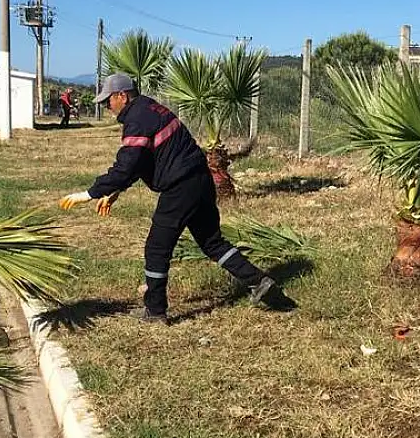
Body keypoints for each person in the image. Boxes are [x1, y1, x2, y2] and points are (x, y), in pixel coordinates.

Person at [58, 73, 295, 323]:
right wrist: (115, 191)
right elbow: (144, 160)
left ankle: (155, 310)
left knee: (157, 247)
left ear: (122, 96)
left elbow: (127, 164)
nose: (107, 106)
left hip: (180, 186)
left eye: (108, 100)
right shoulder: (150, 108)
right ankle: (258, 281)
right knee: (212, 242)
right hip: (201, 179)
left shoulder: (137, 118)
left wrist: (89, 193)